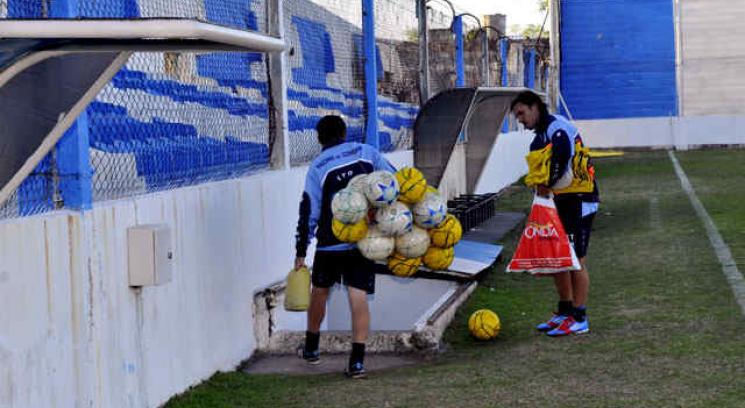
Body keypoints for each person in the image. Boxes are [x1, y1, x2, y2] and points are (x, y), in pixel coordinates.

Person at [294, 115, 396, 378]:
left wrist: (301, 252)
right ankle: (357, 361)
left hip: (330, 243)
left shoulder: (317, 166)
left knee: (319, 291)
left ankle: (312, 347)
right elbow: (392, 181)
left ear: (319, 139)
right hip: (362, 241)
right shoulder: (366, 152)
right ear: (344, 132)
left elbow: (309, 209)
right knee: (358, 297)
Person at [510, 90, 600, 337]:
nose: (519, 119)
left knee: (575, 260)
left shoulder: (557, 128)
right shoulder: (539, 136)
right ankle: (565, 311)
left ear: (535, 107)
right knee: (557, 257)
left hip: (580, 200)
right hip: (558, 201)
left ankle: (580, 318)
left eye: (521, 113)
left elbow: (561, 158)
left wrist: (546, 185)